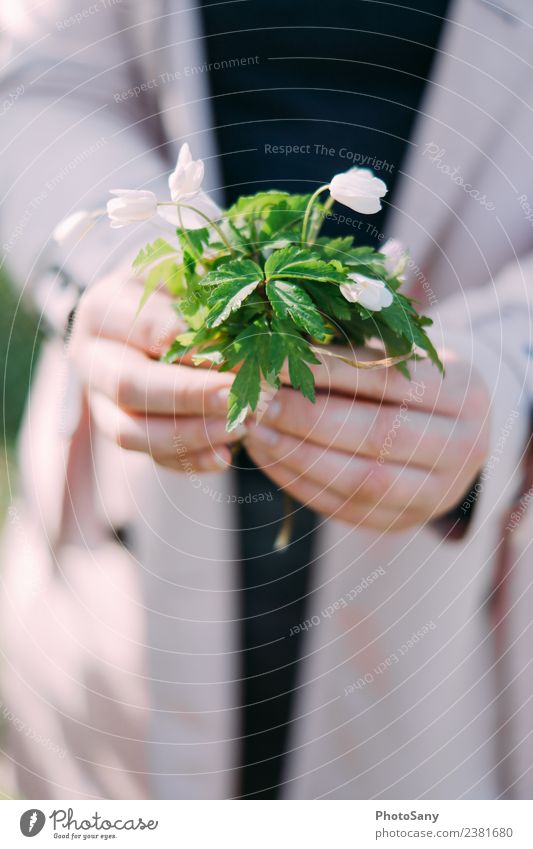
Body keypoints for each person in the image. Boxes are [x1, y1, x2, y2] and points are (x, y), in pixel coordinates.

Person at [0, 0, 532, 799]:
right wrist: (119, 272)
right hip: (129, 512)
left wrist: (511, 365)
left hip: (475, 575)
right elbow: (37, 82)